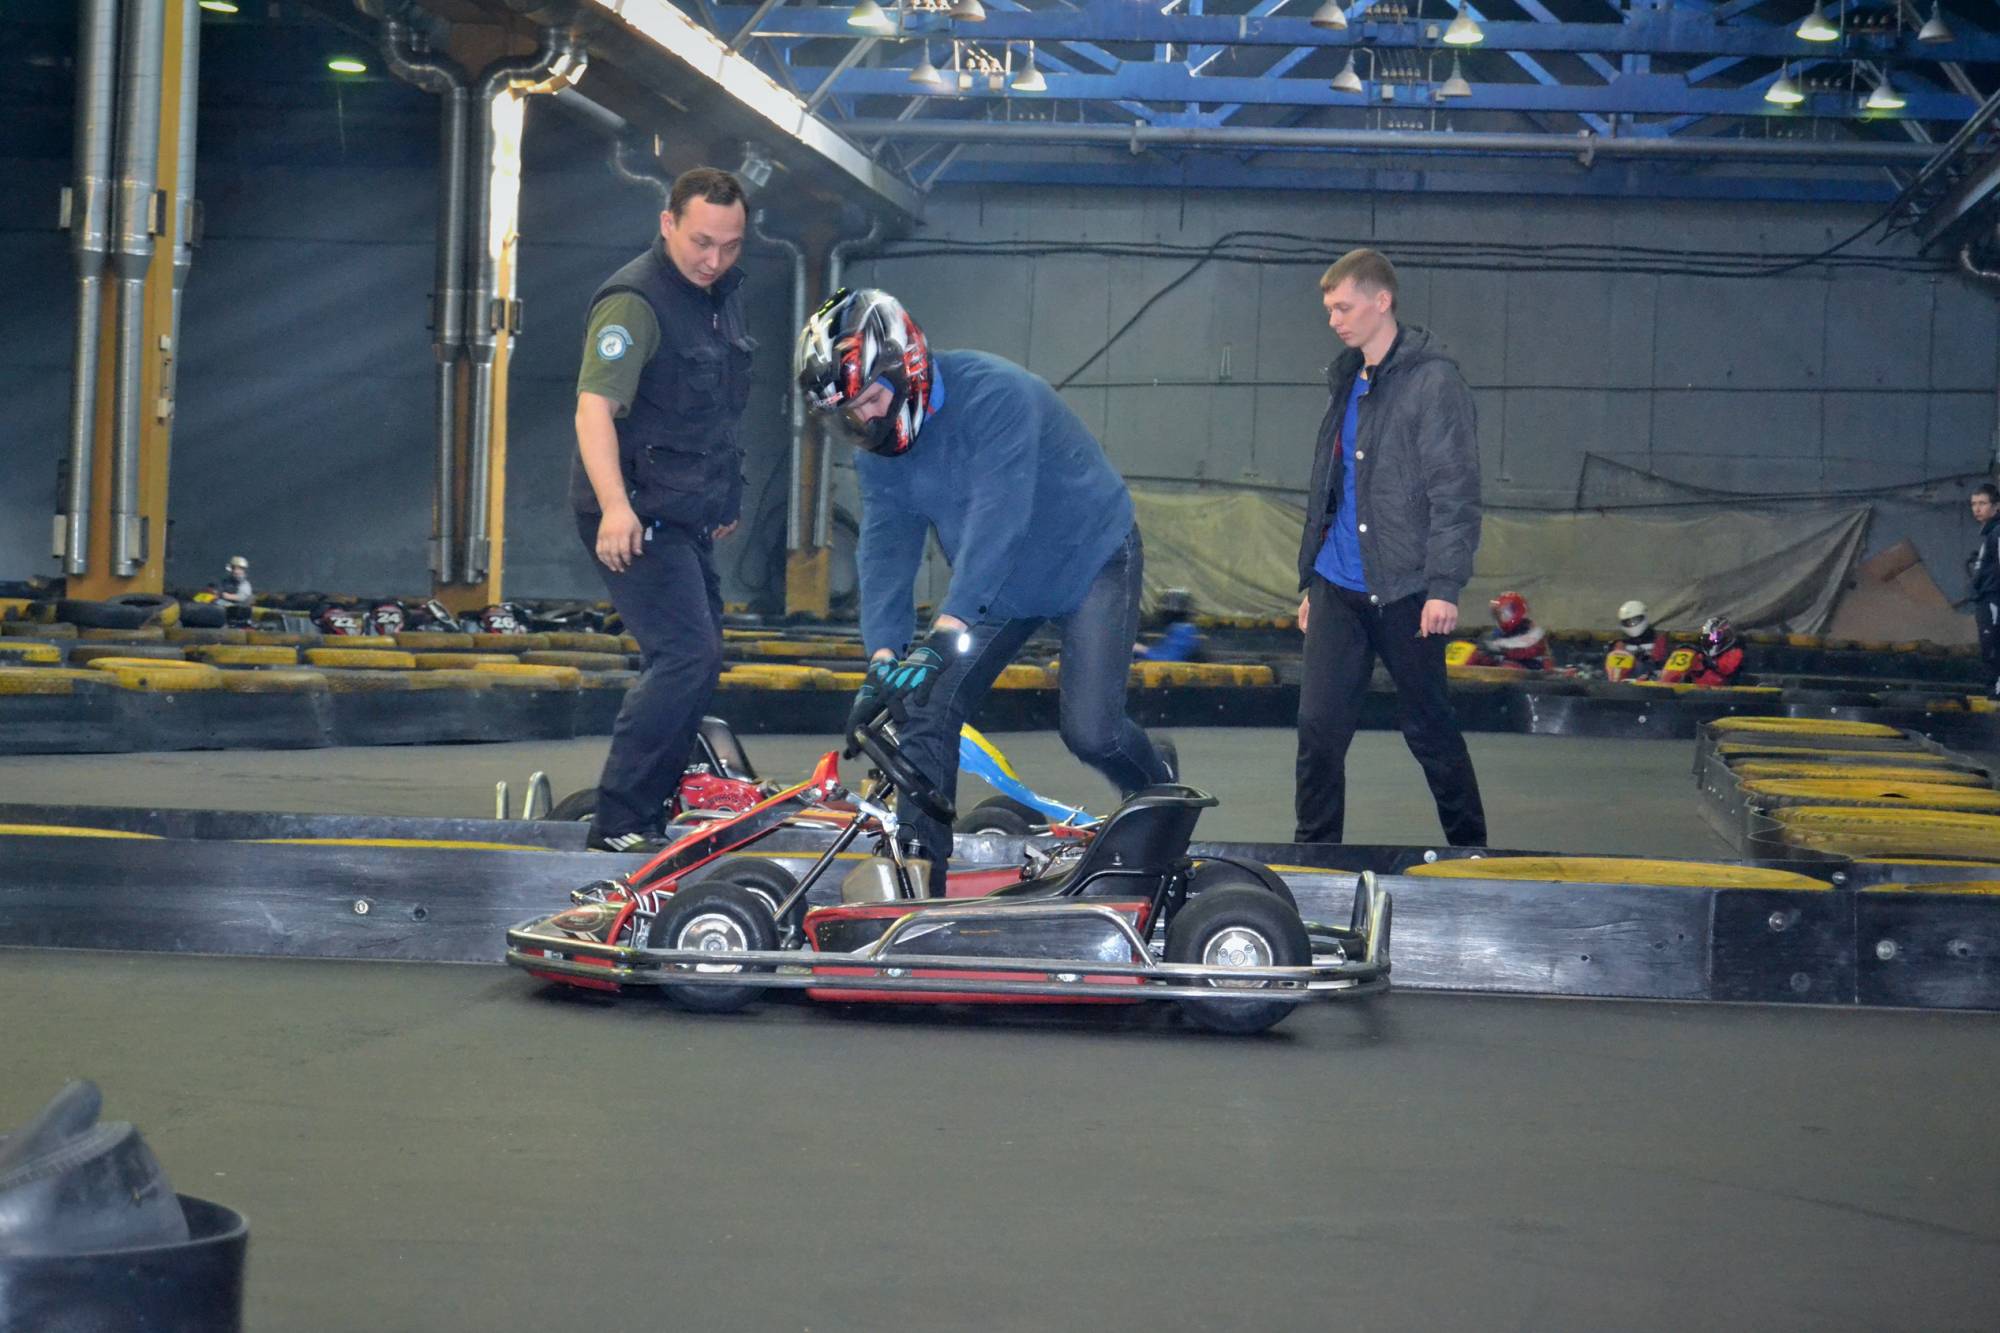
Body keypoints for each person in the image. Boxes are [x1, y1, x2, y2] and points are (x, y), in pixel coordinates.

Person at [796, 287, 1174, 894]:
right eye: (851, 415)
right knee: (922, 704)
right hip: (1002, 583)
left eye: (870, 400)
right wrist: (883, 658)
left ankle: (1160, 791)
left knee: (1093, 731)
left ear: (907, 366)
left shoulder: (999, 398)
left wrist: (947, 631)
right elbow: (887, 545)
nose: (866, 421)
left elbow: (1000, 519)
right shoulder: (880, 451)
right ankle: (918, 875)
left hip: (1088, 558)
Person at [570, 167, 752, 852]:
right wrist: (615, 508)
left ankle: (653, 805)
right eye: (702, 242)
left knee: (702, 656)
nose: (714, 260)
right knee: (684, 654)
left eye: (730, 246)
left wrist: (721, 497)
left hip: (679, 512)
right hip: (632, 511)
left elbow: (710, 412)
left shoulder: (716, 298)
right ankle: (620, 823)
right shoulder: (635, 303)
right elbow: (593, 411)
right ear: (667, 223)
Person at [1294, 248, 1486, 847]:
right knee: (1318, 731)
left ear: (1382, 301)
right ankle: (1315, 855)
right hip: (1337, 585)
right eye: (1329, 310)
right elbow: (1331, 487)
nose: (1334, 320)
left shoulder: (1435, 382)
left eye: (1343, 307)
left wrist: (1444, 586)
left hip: (1407, 588)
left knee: (1429, 729)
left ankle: (1473, 852)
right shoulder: (1346, 380)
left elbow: (1455, 490)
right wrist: (1312, 581)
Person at [1967, 483, 2000, 696]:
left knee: (1993, 646)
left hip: (1994, 598)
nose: (1977, 508)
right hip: (1986, 597)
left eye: (1982, 503)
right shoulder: (1989, 533)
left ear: (1996, 506)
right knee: (1989, 646)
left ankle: (1996, 690)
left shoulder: (1997, 532)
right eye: (1973, 504)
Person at [1477, 591, 1552, 670]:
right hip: (1508, 669)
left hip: (1533, 670)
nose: (1499, 617)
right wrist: (1482, 654)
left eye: (1502, 613)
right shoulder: (1500, 632)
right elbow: (1491, 654)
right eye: (1497, 614)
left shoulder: (1533, 631)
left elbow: (1524, 650)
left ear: (1516, 611)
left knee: (1507, 667)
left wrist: (1500, 648)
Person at [1614, 599, 1669, 678]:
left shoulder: (1658, 639)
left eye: (1634, 621)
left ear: (1644, 617)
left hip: (1651, 677)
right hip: (1624, 677)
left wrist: (1646, 659)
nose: (1631, 624)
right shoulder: (1621, 643)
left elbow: (1660, 661)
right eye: (1628, 622)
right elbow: (1614, 661)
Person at [1689, 615, 1744, 686]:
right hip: (1697, 686)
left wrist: (1711, 663)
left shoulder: (1735, 652)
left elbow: (1726, 669)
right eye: (1709, 637)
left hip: (1724, 687)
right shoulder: (1702, 654)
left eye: (1715, 636)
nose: (1711, 639)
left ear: (1726, 636)